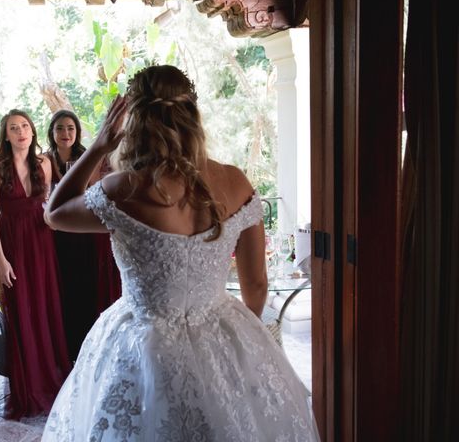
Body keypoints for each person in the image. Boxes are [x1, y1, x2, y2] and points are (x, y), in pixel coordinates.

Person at [42, 66, 320, 440]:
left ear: (133, 124)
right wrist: (238, 346)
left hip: (142, 343)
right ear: (193, 118)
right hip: (221, 329)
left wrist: (97, 147)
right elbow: (255, 283)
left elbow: (55, 213)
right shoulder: (235, 181)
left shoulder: (123, 188)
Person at [0, 109, 71, 420]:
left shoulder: (44, 164)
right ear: (6, 136)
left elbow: (48, 203)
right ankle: (28, 389)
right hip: (12, 244)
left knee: (46, 307)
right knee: (21, 311)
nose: (20, 132)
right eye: (13, 128)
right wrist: (1, 259)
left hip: (41, 241)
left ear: (33, 132)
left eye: (24, 126)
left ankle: (50, 382)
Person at [46, 110, 122, 361]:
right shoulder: (44, 161)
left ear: (77, 132)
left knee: (85, 286)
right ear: (52, 132)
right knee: (62, 289)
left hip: (83, 231)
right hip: (55, 234)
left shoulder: (87, 157)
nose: (65, 133)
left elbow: (91, 192)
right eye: (60, 128)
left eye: (70, 128)